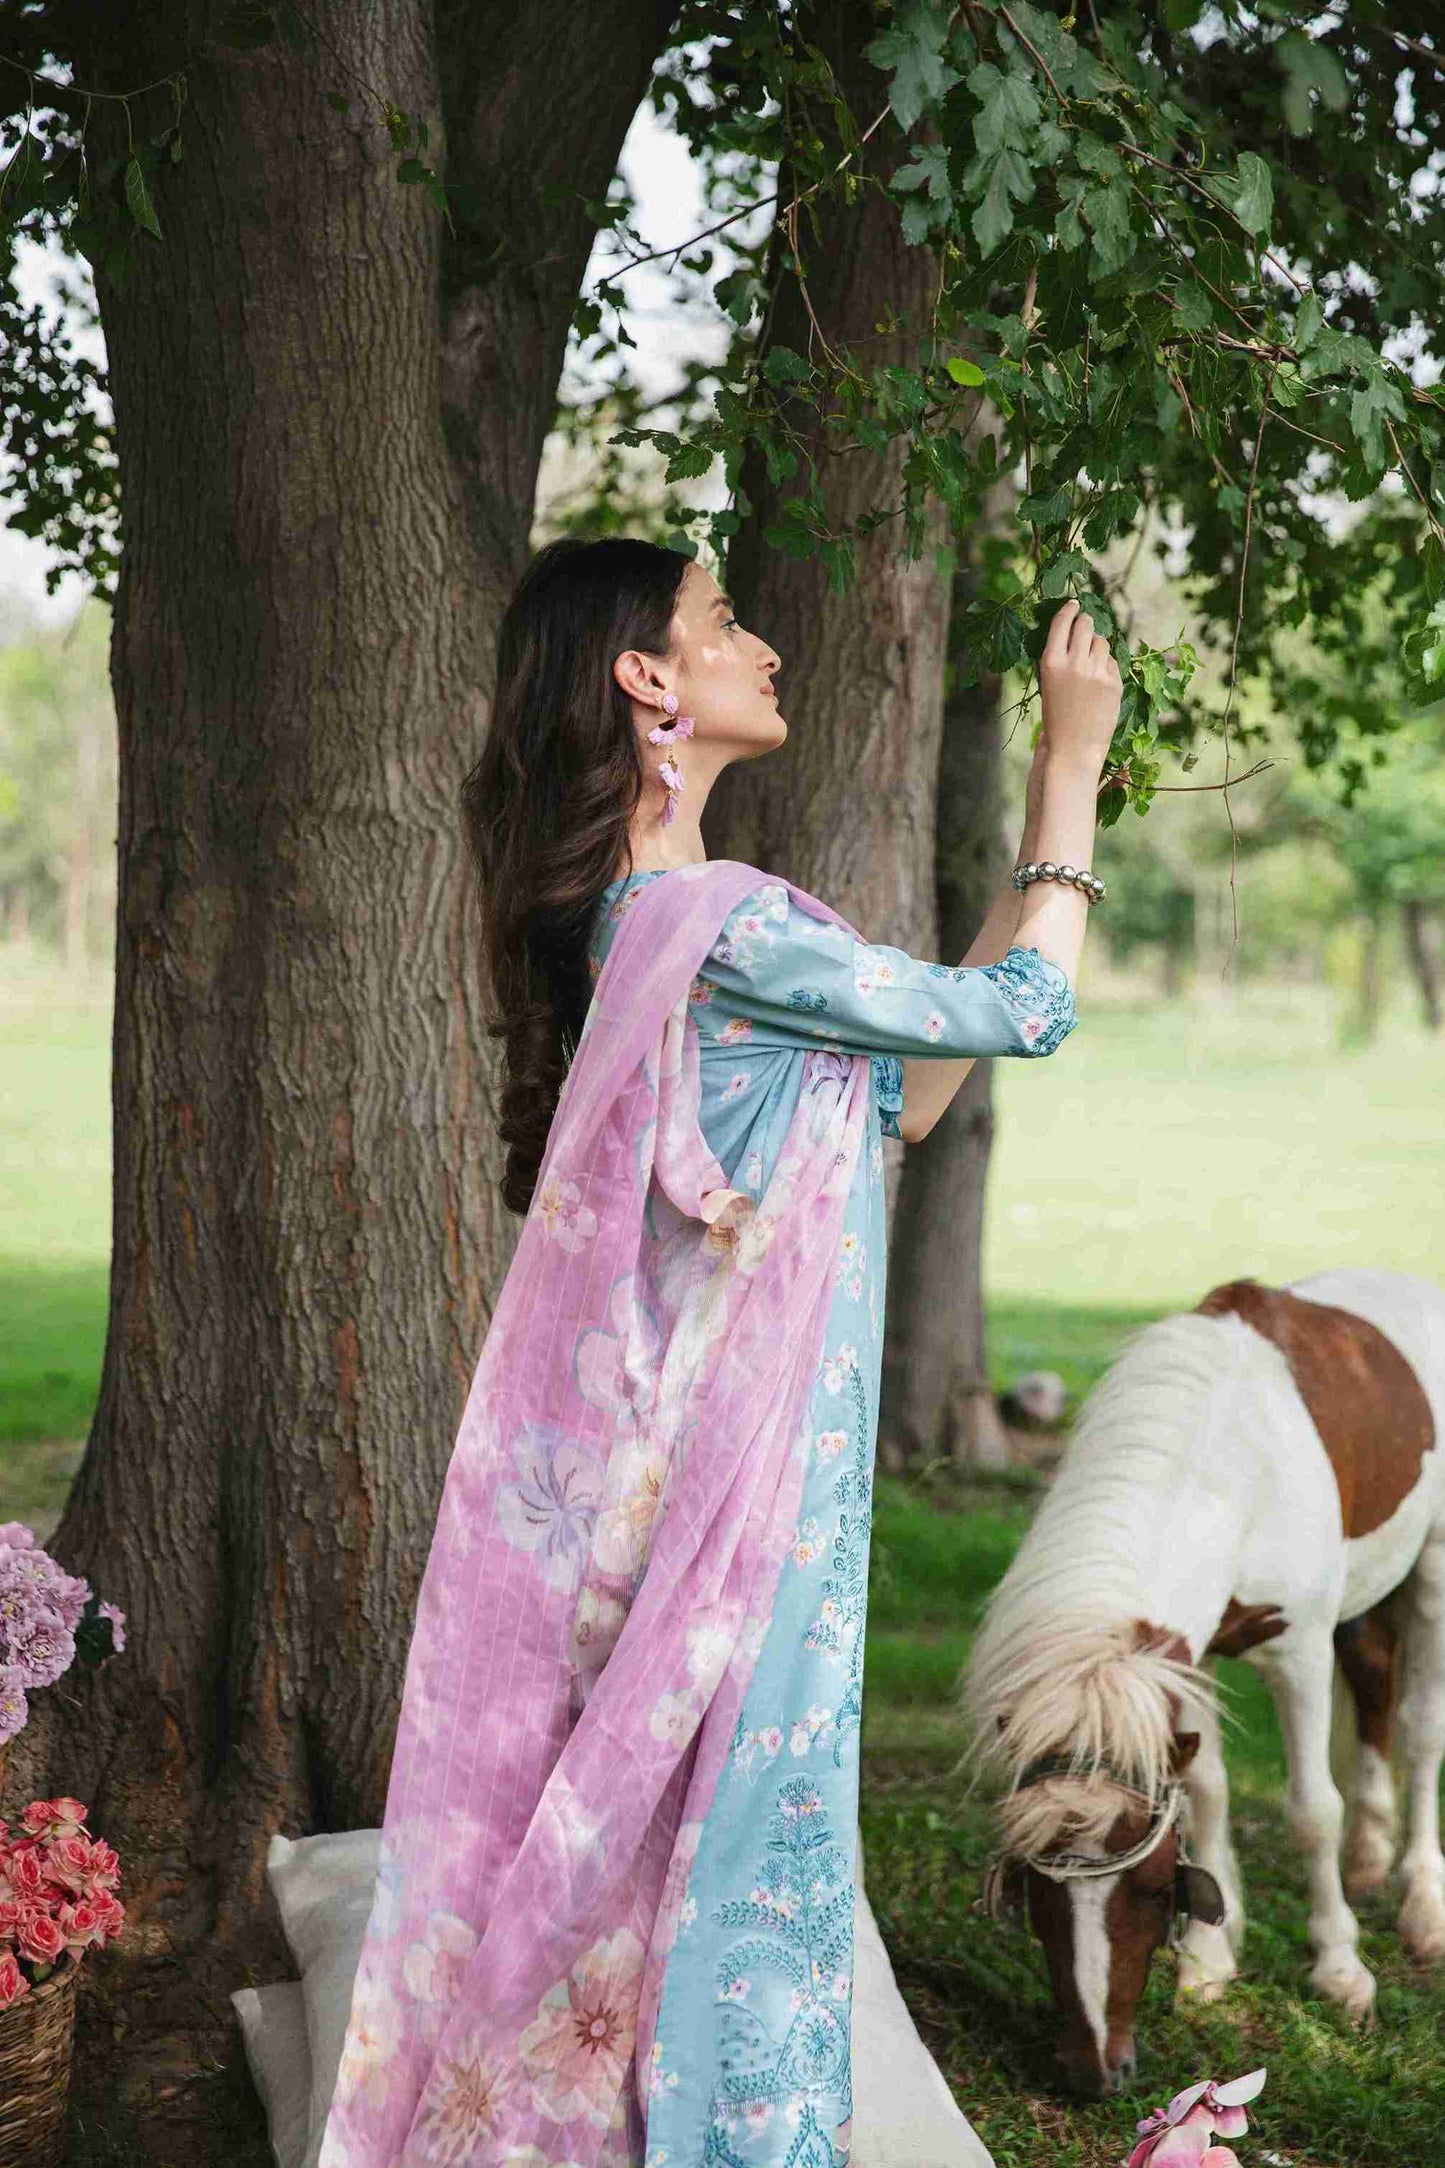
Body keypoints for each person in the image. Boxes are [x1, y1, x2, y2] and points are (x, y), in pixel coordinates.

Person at [319, 539, 1120, 2168]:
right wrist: (1069, 765)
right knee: (745, 1832)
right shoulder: (722, 925)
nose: (763, 647)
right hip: (747, 1498)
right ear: (647, 679)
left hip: (720, 1473)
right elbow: (1025, 1012)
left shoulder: (657, 929)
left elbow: (912, 1094)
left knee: (703, 1830)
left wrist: (1039, 855)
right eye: (723, 622)